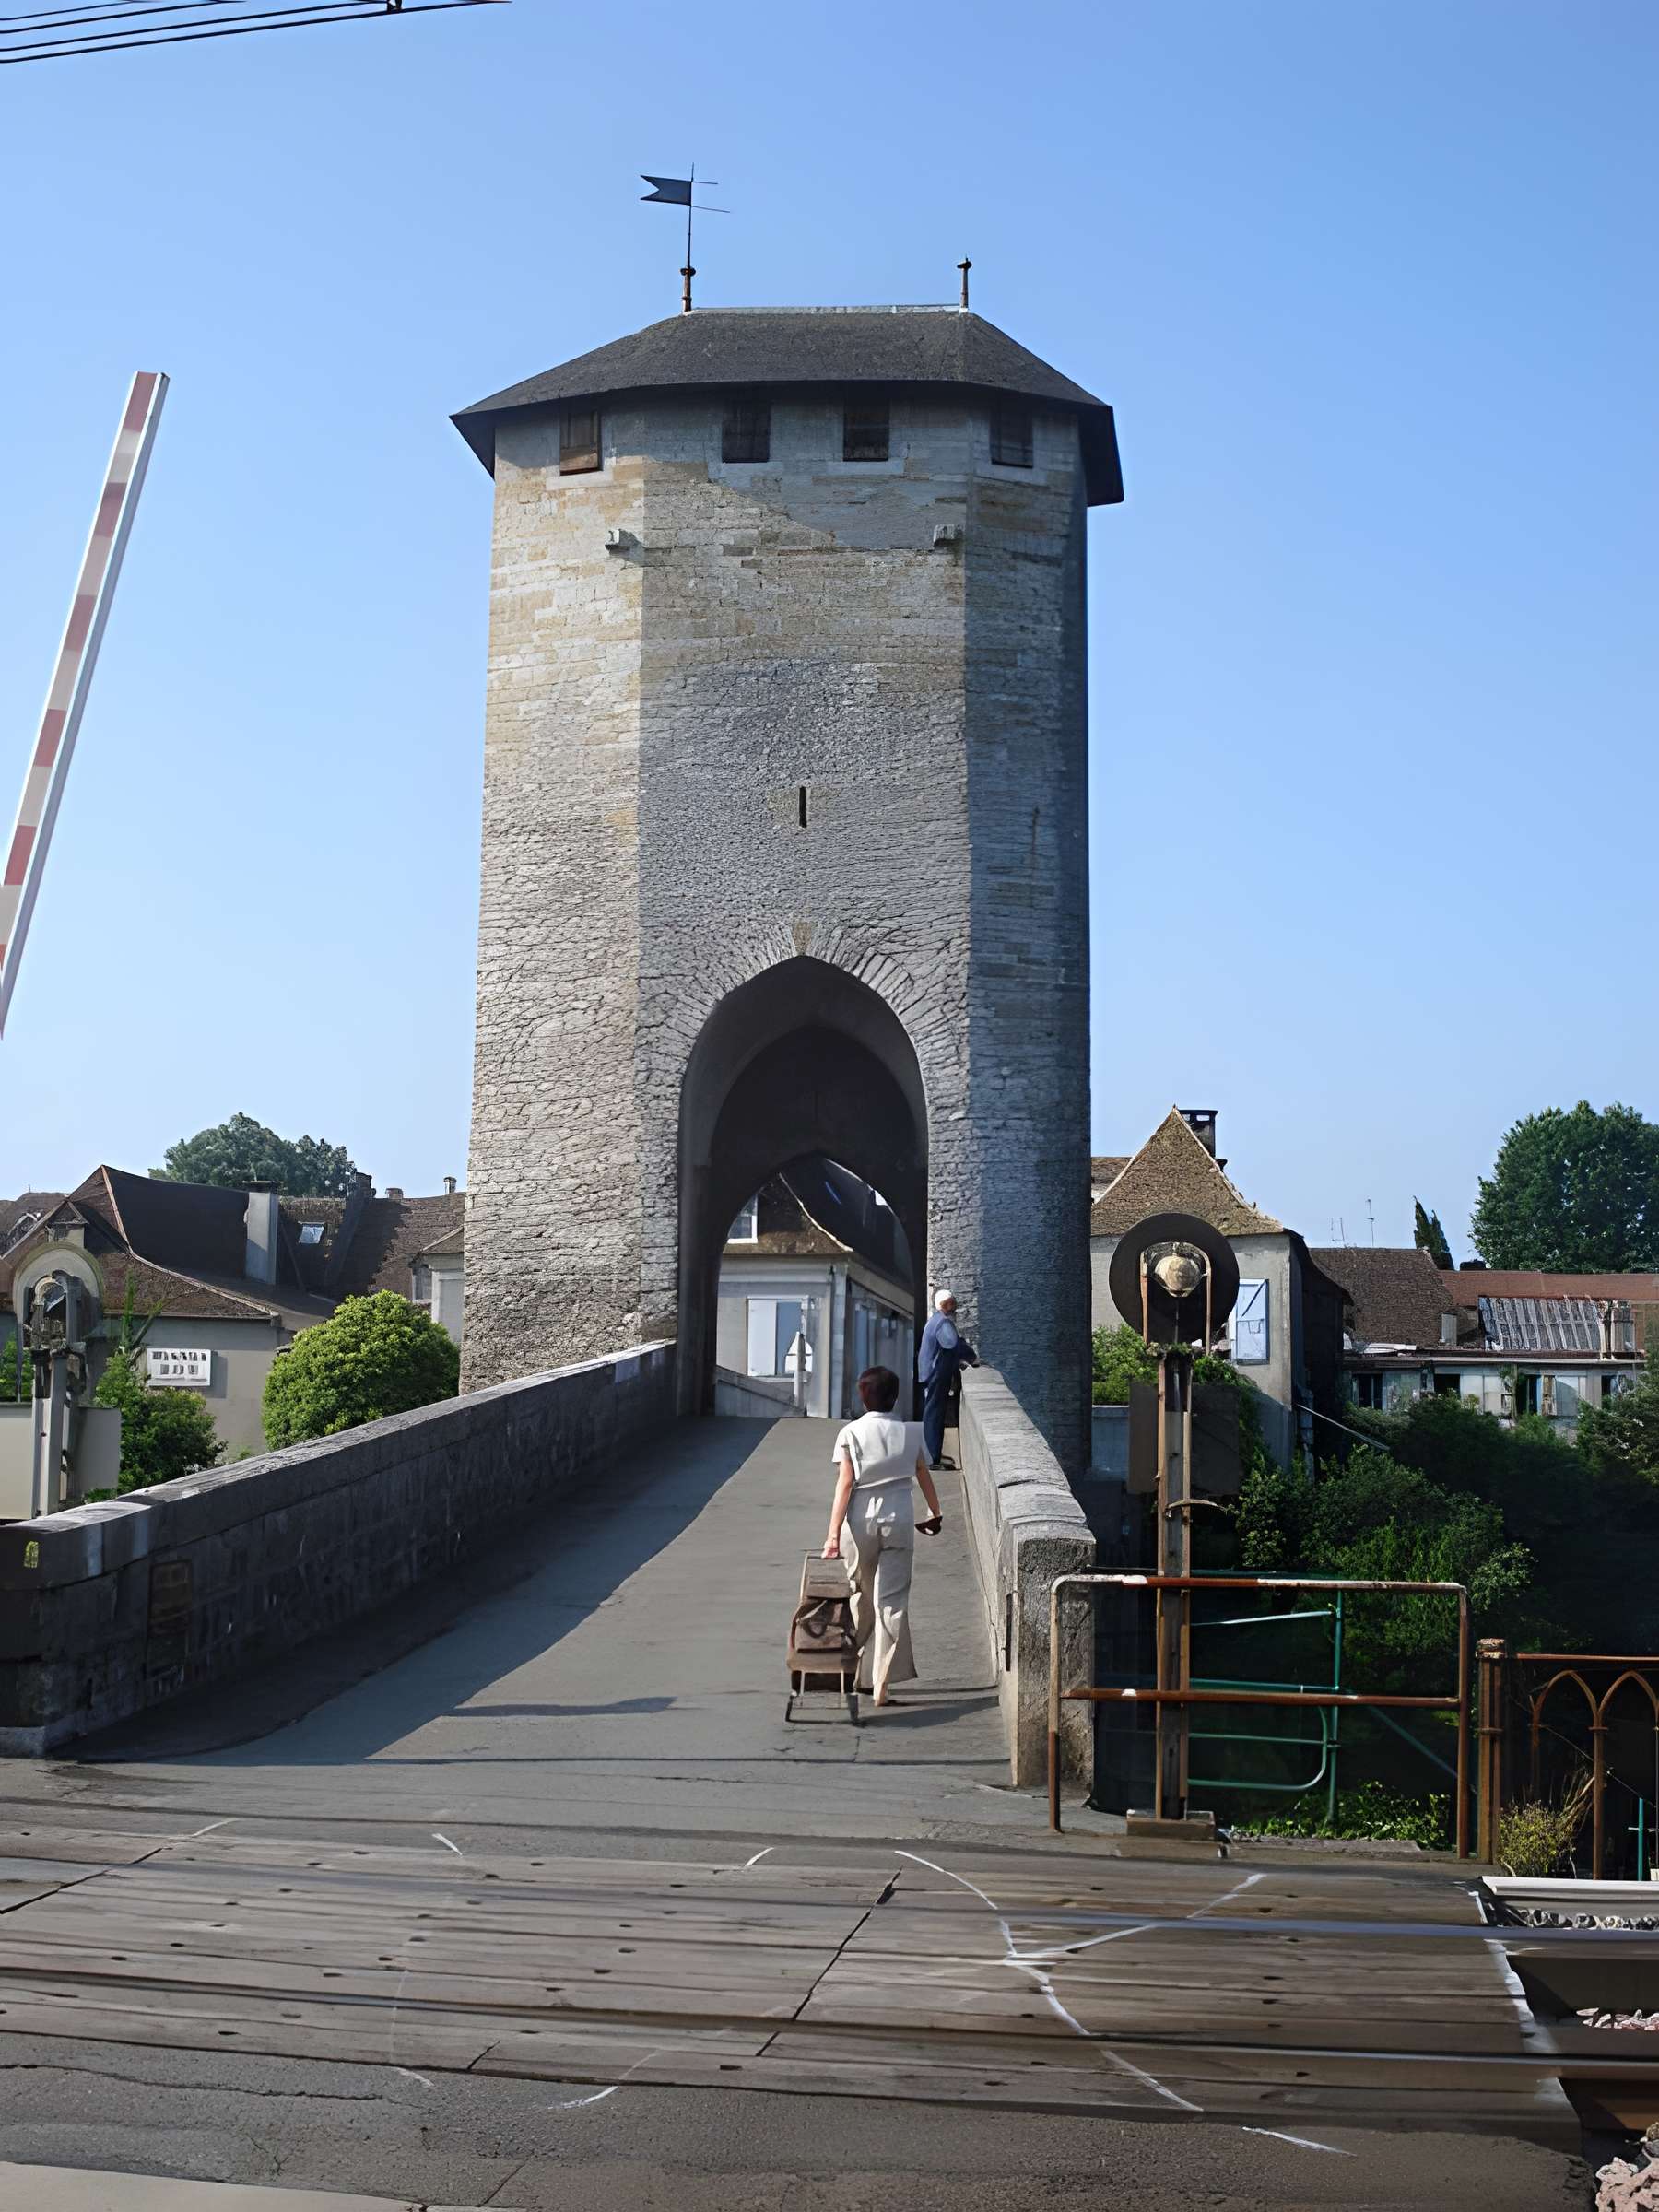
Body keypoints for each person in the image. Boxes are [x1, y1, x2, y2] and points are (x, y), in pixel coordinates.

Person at [821, 1365, 943, 1707]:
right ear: (895, 1396)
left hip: (860, 1517)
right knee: (891, 1601)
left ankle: (850, 1666)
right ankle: (881, 1685)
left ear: (863, 1397)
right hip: (899, 1515)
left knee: (859, 1594)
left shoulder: (850, 1433)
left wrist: (832, 1535)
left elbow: (845, 1484)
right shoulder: (911, 1433)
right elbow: (922, 1472)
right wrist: (935, 1511)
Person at [917, 1288, 977, 1472]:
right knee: (935, 1414)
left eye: (953, 1303)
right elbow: (953, 1344)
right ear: (942, 1306)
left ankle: (933, 1453)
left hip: (931, 1372)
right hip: (936, 1374)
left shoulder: (934, 1321)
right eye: (949, 1304)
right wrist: (972, 1358)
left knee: (932, 1413)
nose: (952, 1308)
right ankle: (932, 1458)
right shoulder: (943, 1323)